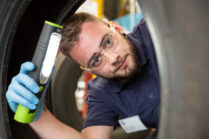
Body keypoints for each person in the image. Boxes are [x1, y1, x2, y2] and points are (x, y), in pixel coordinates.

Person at [6, 12, 160, 138]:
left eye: (108, 42)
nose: (113, 59)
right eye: (97, 60)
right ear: (88, 70)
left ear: (117, 28)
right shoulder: (101, 93)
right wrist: (35, 114)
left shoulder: (157, 31)